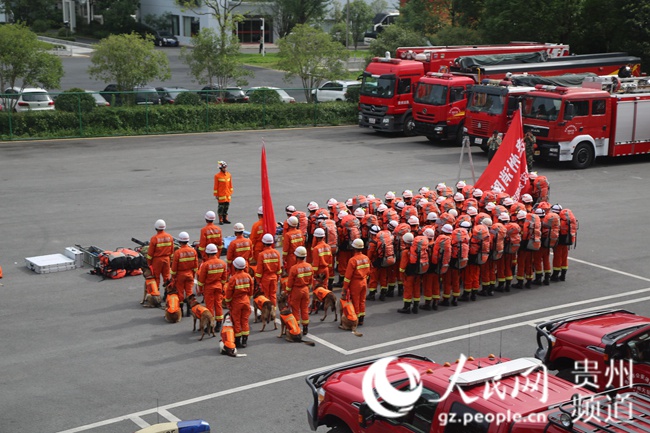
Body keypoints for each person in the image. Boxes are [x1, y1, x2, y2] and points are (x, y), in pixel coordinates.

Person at [196, 243, 227, 330]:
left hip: (209, 287)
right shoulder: (222, 263)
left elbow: (201, 279)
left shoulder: (206, 265)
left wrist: (201, 290)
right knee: (218, 304)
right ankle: (219, 323)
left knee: (209, 306)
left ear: (207, 253)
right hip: (219, 286)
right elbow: (224, 278)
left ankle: (210, 324)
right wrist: (222, 287)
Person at [225, 256, 254, 348]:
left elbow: (229, 293)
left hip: (237, 302)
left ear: (235, 267)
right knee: (245, 320)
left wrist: (228, 302)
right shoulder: (248, 276)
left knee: (236, 321)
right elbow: (251, 290)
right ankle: (245, 341)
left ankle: (237, 341)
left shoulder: (233, 278)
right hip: (246, 301)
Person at [341, 238, 371, 325]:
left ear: (354, 248)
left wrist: (345, 288)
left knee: (355, 301)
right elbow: (369, 271)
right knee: (362, 300)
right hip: (364, 281)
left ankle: (356, 319)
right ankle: (361, 319)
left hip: (355, 283)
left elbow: (347, 277)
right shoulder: (366, 258)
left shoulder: (353, 260)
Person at [285, 246, 313, 335]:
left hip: (296, 290)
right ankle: (305, 328)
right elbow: (311, 281)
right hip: (306, 290)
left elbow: (289, 283)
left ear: (296, 256)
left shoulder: (294, 268)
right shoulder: (309, 266)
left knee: (295, 310)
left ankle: (296, 329)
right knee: (304, 309)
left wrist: (287, 292)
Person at [171, 231, 199, 316]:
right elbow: (195, 265)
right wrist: (193, 274)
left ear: (179, 241)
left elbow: (174, 267)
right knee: (189, 292)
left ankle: (181, 310)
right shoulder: (193, 251)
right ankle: (189, 310)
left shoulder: (178, 252)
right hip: (190, 274)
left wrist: (173, 277)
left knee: (180, 292)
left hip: (180, 275)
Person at [254, 233, 282, 308]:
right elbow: (279, 268)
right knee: (273, 295)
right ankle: (273, 311)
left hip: (265, 278)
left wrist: (258, 281)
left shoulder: (262, 255)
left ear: (263, 243)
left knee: (265, 295)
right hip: (274, 277)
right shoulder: (277, 253)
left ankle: (266, 312)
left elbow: (259, 270)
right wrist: (278, 277)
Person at [146, 219, 174, 290]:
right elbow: (172, 251)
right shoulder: (169, 237)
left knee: (156, 277)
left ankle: (156, 292)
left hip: (157, 260)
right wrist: (170, 260)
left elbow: (150, 253)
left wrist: (149, 263)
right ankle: (168, 292)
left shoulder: (154, 238)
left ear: (156, 227)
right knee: (167, 276)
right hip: (167, 259)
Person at [213, 160, 233, 225]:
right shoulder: (217, 176)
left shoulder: (229, 175)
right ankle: (221, 219)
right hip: (221, 195)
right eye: (224, 168)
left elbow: (230, 184)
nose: (225, 169)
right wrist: (216, 194)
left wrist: (230, 192)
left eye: (225, 167)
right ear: (220, 168)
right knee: (221, 208)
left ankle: (225, 219)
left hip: (227, 194)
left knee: (226, 207)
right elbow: (216, 186)